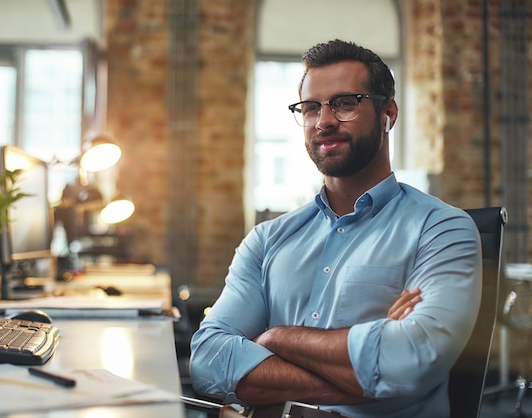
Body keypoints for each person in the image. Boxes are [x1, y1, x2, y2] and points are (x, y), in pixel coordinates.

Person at [189, 39, 482, 418]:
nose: (324, 121)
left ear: (387, 113)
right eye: (310, 107)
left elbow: (412, 361)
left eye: (345, 103)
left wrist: (276, 338)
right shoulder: (267, 239)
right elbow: (208, 359)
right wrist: (368, 372)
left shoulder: (442, 229)